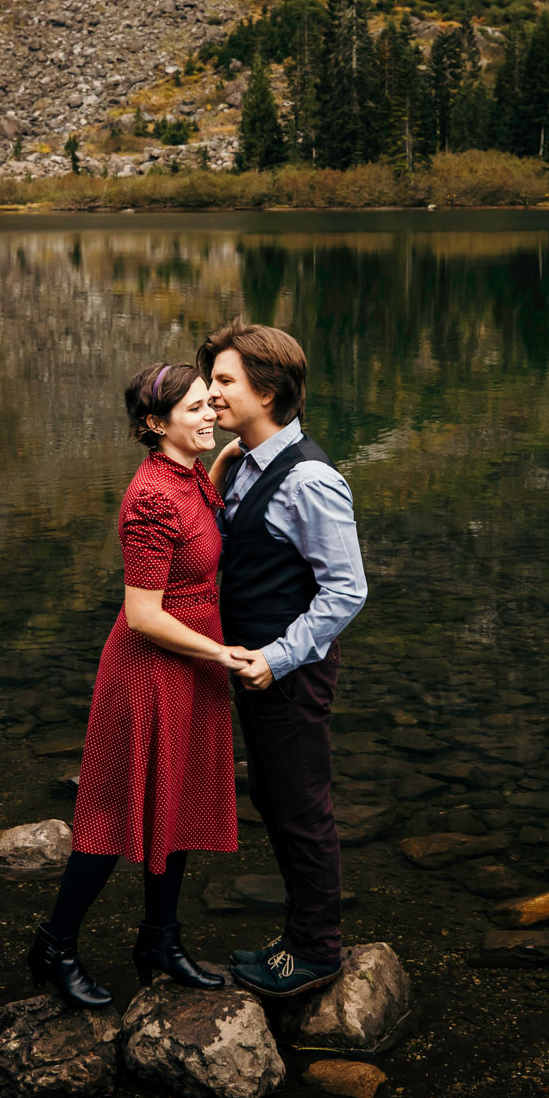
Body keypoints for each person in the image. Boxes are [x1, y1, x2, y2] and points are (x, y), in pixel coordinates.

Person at [28, 362, 248, 1009]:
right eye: (195, 410)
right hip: (152, 667)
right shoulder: (150, 497)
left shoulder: (187, 478)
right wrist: (222, 652)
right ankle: (55, 943)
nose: (210, 415)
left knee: (174, 801)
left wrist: (235, 451)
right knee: (110, 815)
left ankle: (158, 939)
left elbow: (196, 516)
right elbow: (144, 614)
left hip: (189, 666)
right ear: (156, 424)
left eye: (212, 404)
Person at [200, 320, 368, 998]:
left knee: (301, 805)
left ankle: (319, 949)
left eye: (224, 381)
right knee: (272, 795)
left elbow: (347, 589)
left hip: (288, 672)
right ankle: (299, 933)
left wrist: (278, 656)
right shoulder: (245, 460)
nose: (211, 393)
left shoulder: (311, 480)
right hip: (258, 667)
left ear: (268, 390)